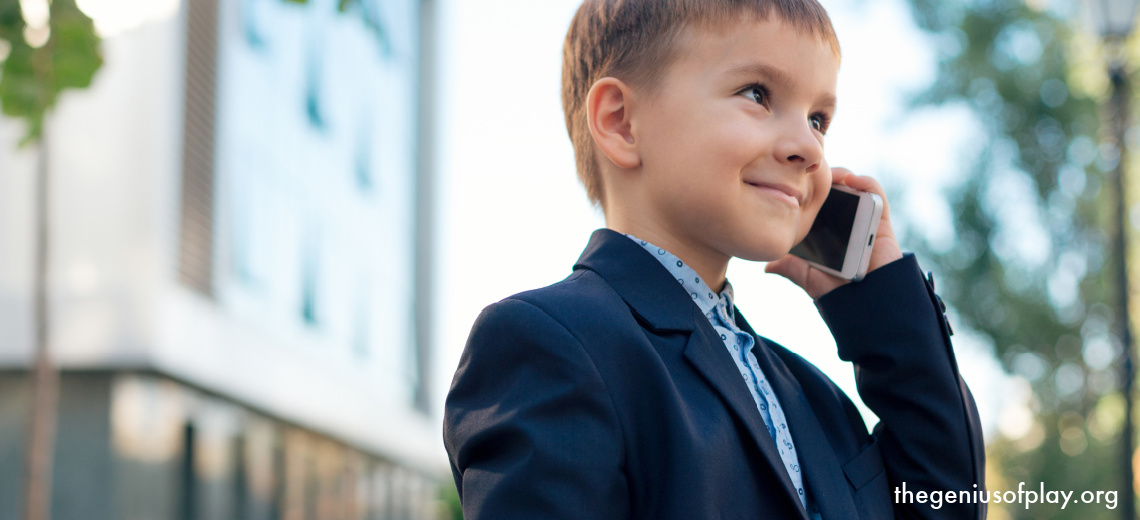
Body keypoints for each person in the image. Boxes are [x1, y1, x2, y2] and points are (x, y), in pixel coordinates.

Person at [442, 0, 986, 518]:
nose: (811, 148)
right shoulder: (548, 344)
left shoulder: (817, 401)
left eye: (819, 119)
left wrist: (880, 306)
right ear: (621, 122)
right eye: (758, 93)